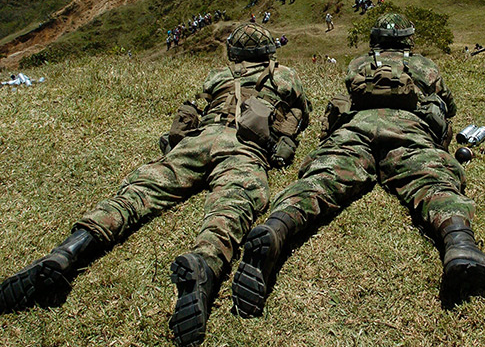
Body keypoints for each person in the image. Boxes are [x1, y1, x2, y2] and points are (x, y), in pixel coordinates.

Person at [0, 24, 311, 347]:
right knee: (232, 205)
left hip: (198, 141)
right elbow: (300, 113)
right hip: (243, 147)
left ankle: (71, 249)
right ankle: (204, 264)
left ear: (234, 54)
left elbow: (190, 113)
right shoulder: (285, 76)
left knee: (139, 192)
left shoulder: (218, 76)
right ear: (268, 53)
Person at [230, 13, 485, 319]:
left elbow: (345, 97)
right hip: (408, 128)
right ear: (408, 40)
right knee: (432, 179)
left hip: (356, 128)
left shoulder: (359, 64)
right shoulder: (424, 66)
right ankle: (460, 244)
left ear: (375, 40)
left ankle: (277, 227)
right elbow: (449, 107)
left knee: (322, 178)